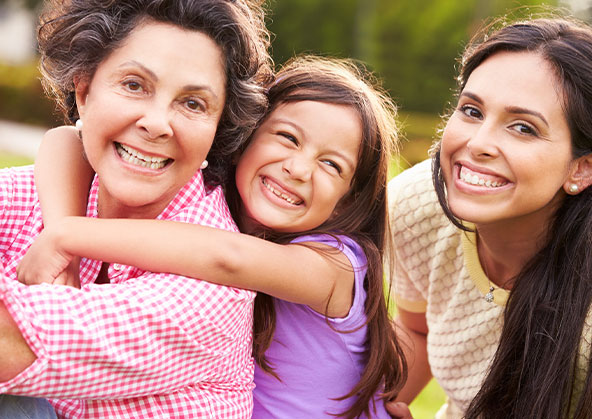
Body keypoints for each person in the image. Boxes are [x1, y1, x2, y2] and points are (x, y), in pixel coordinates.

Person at [17, 56, 409, 418]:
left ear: (346, 202)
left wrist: (71, 236)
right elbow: (68, 139)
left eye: (331, 164)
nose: (299, 168)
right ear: (245, 136)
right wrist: (59, 226)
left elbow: (229, 258)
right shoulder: (212, 204)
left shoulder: (335, 265)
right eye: (288, 138)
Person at [0, 0, 273, 417]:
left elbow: (12, 342)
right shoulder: (34, 195)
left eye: (193, 104)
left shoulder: (214, 288)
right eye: (133, 84)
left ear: (218, 130)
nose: (157, 123)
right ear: (84, 90)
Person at [386, 16, 592, 419]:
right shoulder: (418, 205)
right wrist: (373, 410)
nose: (477, 144)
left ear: (581, 169)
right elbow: (418, 329)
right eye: (471, 110)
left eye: (523, 128)